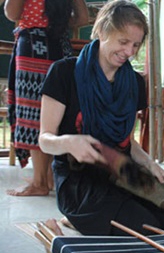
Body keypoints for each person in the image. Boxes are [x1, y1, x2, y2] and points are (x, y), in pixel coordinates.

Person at [38, 0, 164, 235]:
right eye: (123, 42)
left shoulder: (134, 83)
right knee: (147, 230)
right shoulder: (64, 73)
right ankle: (74, 218)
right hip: (80, 180)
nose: (129, 52)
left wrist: (149, 163)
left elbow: (127, 142)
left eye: (136, 45)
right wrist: (69, 142)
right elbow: (44, 140)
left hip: (124, 171)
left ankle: (83, 221)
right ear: (102, 31)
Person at [4, 0, 89, 196]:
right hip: (60, 46)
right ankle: (49, 176)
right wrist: (58, 21)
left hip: (33, 48)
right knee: (55, 112)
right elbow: (83, 17)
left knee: (34, 114)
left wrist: (38, 20)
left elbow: (12, 13)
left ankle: (39, 181)